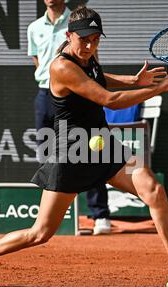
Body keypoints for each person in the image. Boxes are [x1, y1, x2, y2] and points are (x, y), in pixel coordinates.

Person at [0, 6, 168, 287]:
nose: (89, 45)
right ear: (69, 35)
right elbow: (108, 99)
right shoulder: (60, 66)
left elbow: (99, 77)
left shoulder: (89, 54)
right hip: (71, 151)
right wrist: (156, 89)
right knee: (41, 233)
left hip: (103, 144)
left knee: (154, 191)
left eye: (95, 39)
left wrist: (135, 80)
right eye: (84, 39)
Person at [27, 0, 112, 235]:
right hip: (47, 93)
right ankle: (54, 213)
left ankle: (99, 214)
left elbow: (90, 63)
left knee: (92, 152)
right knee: (48, 153)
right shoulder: (34, 28)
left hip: (78, 93)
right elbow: (38, 62)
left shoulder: (78, 23)